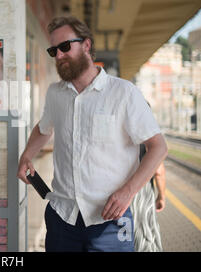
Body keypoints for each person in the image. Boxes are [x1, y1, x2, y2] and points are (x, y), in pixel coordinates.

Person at [17, 16, 168, 252]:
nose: (58, 55)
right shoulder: (55, 93)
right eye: (53, 50)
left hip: (110, 220)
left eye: (65, 47)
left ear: (86, 45)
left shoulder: (124, 93)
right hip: (61, 217)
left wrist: (128, 192)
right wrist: (27, 155)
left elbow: (158, 147)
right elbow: (43, 128)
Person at [130, 143, 166, 252]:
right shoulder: (145, 130)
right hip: (141, 200)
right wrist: (161, 196)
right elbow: (159, 171)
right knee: (145, 241)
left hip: (114, 197)